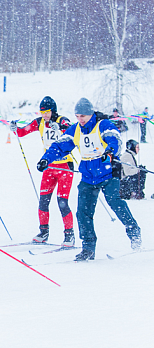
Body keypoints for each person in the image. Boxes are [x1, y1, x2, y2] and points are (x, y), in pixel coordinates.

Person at [37, 97, 142, 261]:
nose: (80, 120)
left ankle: (134, 231)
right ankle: (88, 248)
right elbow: (59, 146)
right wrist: (46, 159)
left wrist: (110, 151)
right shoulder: (75, 129)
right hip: (88, 176)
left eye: (83, 116)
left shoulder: (103, 124)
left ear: (90, 114)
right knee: (83, 213)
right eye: (77, 116)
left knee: (115, 201)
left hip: (108, 172)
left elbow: (114, 138)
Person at [10, 96, 75, 245]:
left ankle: (69, 235)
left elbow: (71, 131)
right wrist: (15, 129)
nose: (44, 115)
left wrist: (61, 129)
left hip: (65, 166)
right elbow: (23, 132)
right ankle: (43, 232)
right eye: (42, 112)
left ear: (53, 111)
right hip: (49, 166)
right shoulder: (39, 122)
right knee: (43, 202)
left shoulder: (62, 120)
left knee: (62, 202)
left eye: (47, 112)